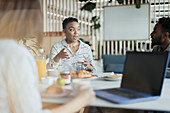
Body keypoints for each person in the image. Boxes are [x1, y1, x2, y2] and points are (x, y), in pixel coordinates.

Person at [0, 0, 95, 113]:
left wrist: (41, 92)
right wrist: (81, 100)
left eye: (78, 29)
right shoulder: (15, 55)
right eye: (71, 29)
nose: (76, 32)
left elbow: (10, 94)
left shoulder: (7, 51)